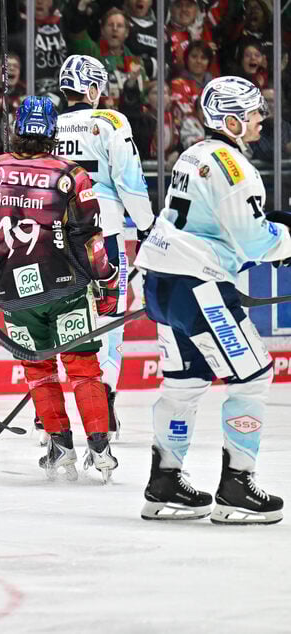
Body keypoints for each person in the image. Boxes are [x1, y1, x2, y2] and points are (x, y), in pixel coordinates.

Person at [134, 76, 288, 524]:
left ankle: (165, 483)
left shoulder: (193, 153)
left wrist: (270, 230)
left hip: (162, 281)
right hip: (198, 284)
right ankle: (238, 486)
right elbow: (256, 242)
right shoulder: (233, 164)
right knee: (254, 376)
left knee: (184, 384)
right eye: (255, 112)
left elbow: (214, 224)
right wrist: (286, 239)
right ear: (233, 120)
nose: (262, 119)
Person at [0, 96, 120, 482]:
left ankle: (59, 446)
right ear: (52, 133)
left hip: (14, 294)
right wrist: (108, 280)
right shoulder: (72, 176)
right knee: (83, 368)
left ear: (17, 129)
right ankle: (100, 449)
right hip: (64, 287)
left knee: (39, 371)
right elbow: (90, 240)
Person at [55, 55, 155, 439]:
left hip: (58, 240)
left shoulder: (46, 125)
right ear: (93, 89)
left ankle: (51, 416)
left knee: (63, 320)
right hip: (104, 237)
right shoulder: (110, 121)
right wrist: (147, 226)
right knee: (110, 323)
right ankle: (106, 403)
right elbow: (130, 182)